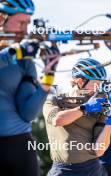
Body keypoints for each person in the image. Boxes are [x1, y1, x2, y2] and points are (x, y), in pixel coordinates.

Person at [0, 1, 60, 176]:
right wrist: (14, 52)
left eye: (28, 23)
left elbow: (27, 113)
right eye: (21, 23)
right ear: (2, 18)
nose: (25, 31)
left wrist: (48, 76)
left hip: (19, 146)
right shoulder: (18, 52)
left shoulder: (24, 59)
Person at [43, 58, 111, 176]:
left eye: (100, 84)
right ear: (79, 81)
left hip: (92, 169)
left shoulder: (99, 108)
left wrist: (110, 120)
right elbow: (57, 120)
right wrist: (84, 108)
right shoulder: (53, 101)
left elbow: (99, 150)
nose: (98, 89)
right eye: (95, 84)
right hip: (62, 170)